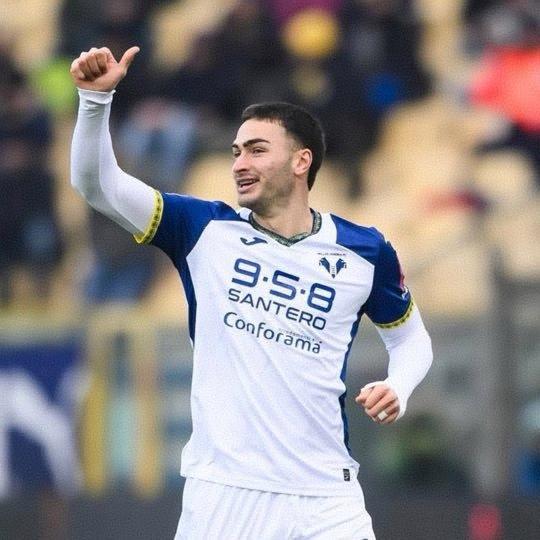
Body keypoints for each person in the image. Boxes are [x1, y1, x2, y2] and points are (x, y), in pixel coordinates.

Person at [70, 46, 433, 539]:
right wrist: (94, 103)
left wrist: (399, 387)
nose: (240, 163)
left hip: (328, 497)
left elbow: (411, 340)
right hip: (225, 494)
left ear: (301, 160)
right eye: (236, 152)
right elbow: (99, 186)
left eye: (257, 150)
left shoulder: (365, 252)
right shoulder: (201, 228)